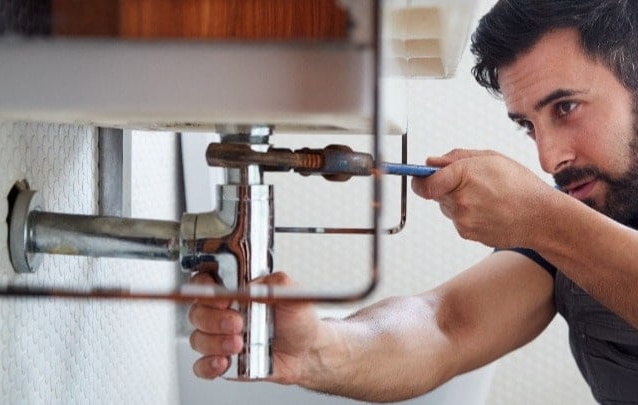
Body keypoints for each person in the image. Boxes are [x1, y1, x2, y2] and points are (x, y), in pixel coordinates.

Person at [188, 0, 638, 402]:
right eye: (528, 125)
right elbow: (445, 324)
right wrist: (319, 348)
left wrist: (542, 218)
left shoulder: (558, 221)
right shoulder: (575, 213)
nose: (548, 158)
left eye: (566, 108)